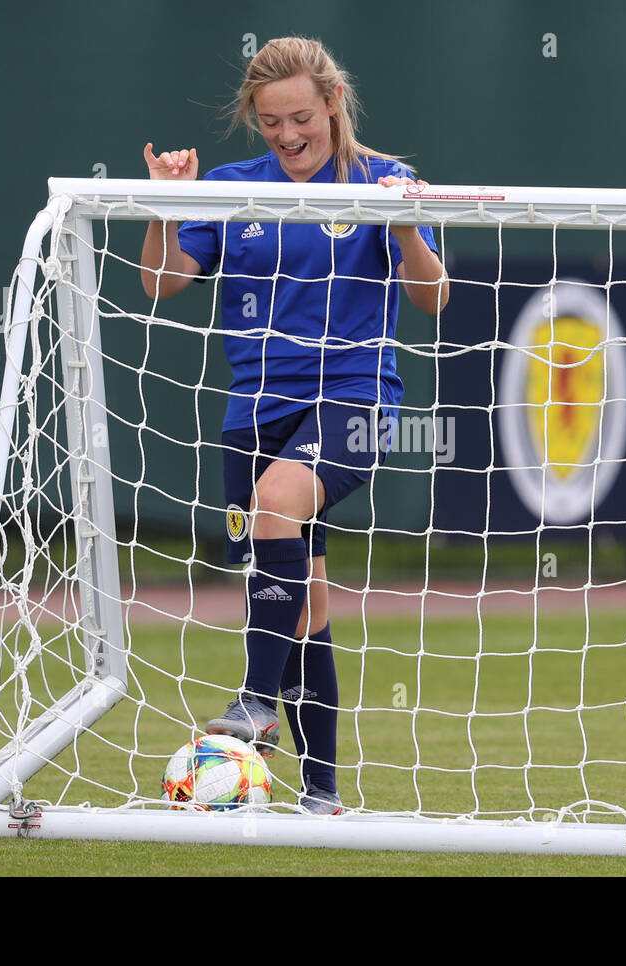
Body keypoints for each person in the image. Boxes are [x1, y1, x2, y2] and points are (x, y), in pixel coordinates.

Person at [139, 36, 448, 815]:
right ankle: (321, 796)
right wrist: (166, 207)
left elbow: (433, 298)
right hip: (254, 416)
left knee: (279, 503)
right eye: (270, 122)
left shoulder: (383, 181)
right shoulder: (232, 187)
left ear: (333, 104)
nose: (286, 136)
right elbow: (161, 281)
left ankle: (252, 700)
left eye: (300, 117)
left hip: (354, 401)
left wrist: (408, 224)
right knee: (300, 602)